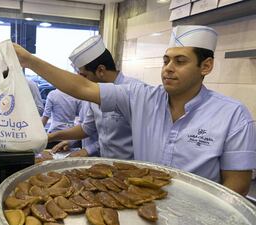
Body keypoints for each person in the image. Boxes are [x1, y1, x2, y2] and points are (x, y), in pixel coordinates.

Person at [13, 25, 256, 196]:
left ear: (206, 66)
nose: (168, 69)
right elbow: (83, 87)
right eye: (166, 60)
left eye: (180, 61)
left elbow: (237, 184)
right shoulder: (142, 98)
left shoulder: (233, 115)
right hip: (140, 203)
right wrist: (29, 60)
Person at [49, 36, 134, 159]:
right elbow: (87, 128)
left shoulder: (133, 91)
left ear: (100, 70)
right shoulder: (95, 93)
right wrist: (52, 136)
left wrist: (88, 150)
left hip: (131, 166)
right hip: (105, 164)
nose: (82, 81)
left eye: (84, 75)